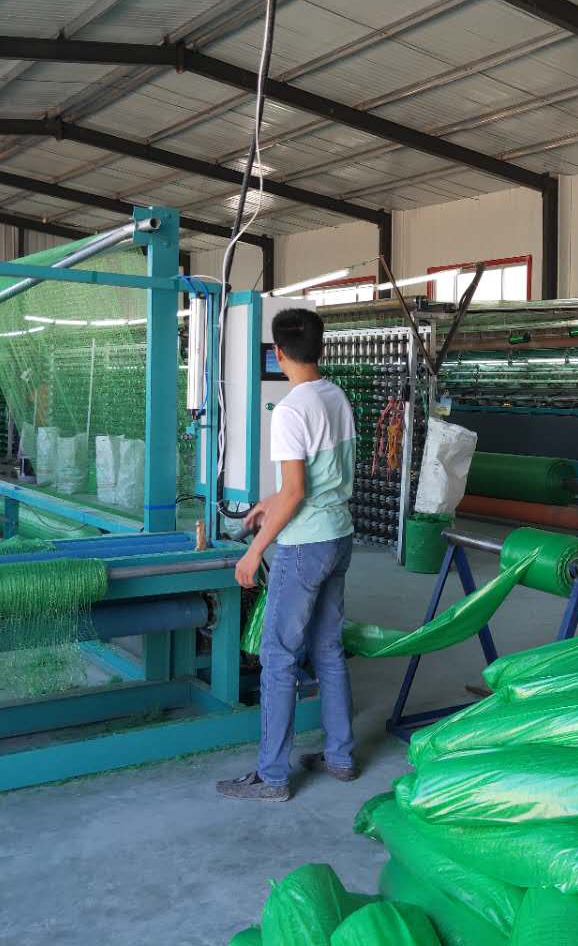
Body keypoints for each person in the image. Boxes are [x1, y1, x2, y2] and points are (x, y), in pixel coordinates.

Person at [217, 307, 357, 802]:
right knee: (328, 649)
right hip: (339, 537)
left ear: (277, 354)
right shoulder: (336, 396)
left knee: (278, 657)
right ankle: (340, 756)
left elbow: (297, 492)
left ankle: (272, 776)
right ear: (320, 348)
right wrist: (269, 502)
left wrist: (254, 551)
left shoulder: (291, 410)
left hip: (304, 547)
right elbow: (318, 481)